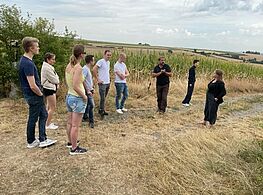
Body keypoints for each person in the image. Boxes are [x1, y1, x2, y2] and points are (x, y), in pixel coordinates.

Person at [18, 37, 57, 148]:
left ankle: (42, 139)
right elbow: (32, 85)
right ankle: (32, 141)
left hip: (31, 95)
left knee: (43, 115)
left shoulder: (25, 61)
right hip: (34, 95)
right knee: (33, 118)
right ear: (31, 48)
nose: (38, 48)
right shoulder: (28, 63)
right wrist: (40, 94)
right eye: (37, 46)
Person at [65, 44, 88, 155]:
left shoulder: (69, 65)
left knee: (70, 123)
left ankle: (70, 142)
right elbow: (75, 85)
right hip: (77, 98)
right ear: (81, 54)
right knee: (75, 125)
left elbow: (70, 83)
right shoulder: (78, 68)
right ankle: (74, 148)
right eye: (84, 53)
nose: (85, 54)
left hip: (69, 96)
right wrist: (84, 96)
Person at [41, 52, 60, 130]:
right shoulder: (47, 68)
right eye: (52, 59)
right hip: (49, 89)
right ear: (47, 59)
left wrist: (56, 80)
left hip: (49, 88)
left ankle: (46, 122)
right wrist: (57, 81)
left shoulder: (48, 67)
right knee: (52, 107)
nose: (54, 61)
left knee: (49, 106)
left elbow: (56, 77)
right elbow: (55, 79)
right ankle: (47, 124)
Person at [93, 50, 112, 118]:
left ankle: (102, 109)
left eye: (110, 55)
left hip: (107, 83)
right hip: (102, 83)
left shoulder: (108, 62)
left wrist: (109, 79)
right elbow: (94, 69)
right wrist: (98, 79)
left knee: (104, 97)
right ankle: (101, 111)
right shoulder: (101, 61)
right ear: (104, 55)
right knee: (102, 98)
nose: (109, 56)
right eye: (108, 55)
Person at [82, 55, 95, 128]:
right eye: (93, 60)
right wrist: (87, 90)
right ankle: (91, 121)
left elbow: (88, 80)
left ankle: (85, 116)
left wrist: (92, 88)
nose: (94, 61)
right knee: (92, 105)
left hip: (90, 89)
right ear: (90, 61)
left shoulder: (88, 69)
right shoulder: (85, 69)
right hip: (87, 90)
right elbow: (82, 80)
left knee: (88, 105)